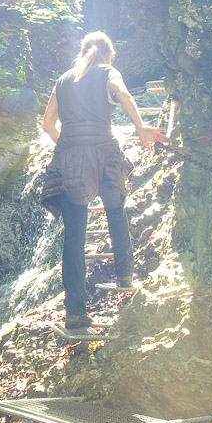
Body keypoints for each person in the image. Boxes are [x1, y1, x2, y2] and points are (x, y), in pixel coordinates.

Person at [40, 32, 167, 330]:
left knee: (74, 234)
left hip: (72, 159)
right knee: (115, 210)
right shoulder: (109, 71)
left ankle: (75, 311)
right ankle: (125, 275)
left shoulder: (63, 80)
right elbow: (122, 93)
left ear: (83, 52)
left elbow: (47, 125)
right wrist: (141, 127)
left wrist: (68, 144)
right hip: (106, 153)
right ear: (108, 55)